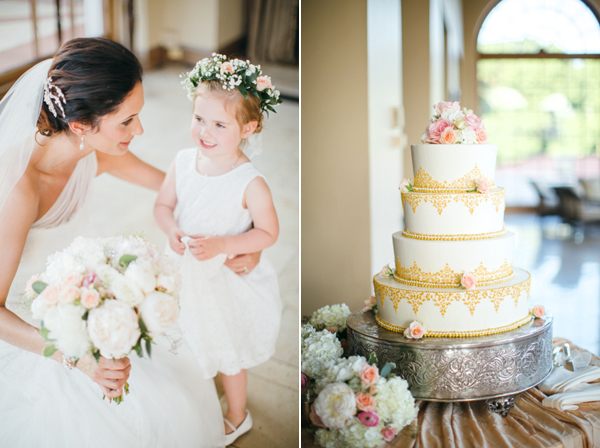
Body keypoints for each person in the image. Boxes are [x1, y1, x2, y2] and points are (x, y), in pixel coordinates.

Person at [0, 38, 258, 447]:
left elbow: (185, 195)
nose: (139, 130)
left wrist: (244, 239)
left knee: (172, 392)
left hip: (81, 302)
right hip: (27, 333)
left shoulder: (93, 152)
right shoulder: (19, 190)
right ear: (81, 125)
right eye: (126, 121)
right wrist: (78, 358)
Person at [154, 54, 283, 445]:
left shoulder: (250, 182)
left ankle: (238, 414)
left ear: (249, 126)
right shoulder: (183, 162)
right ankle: (193, 389)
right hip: (181, 271)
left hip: (222, 280)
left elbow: (267, 232)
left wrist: (226, 244)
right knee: (183, 334)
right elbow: (162, 206)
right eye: (199, 119)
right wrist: (173, 228)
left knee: (227, 346)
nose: (205, 132)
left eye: (220, 124)